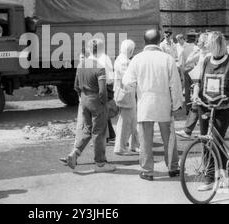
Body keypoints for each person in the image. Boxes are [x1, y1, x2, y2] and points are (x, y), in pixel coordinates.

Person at [123, 29, 183, 181]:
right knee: (168, 138)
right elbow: (175, 84)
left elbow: (128, 83)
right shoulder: (167, 59)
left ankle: (147, 170)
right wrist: (177, 105)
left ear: (144, 41)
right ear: (158, 41)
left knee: (145, 139)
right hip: (164, 104)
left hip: (145, 104)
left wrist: (135, 90)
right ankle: (173, 167)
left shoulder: (137, 59)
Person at [190, 31, 229, 190]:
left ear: (216, 45)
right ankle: (210, 177)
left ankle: (220, 175)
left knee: (217, 140)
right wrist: (195, 96)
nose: (206, 46)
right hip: (204, 105)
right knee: (206, 141)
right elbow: (197, 82)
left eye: (209, 43)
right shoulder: (205, 60)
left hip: (223, 107)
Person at [59, 39, 116, 173]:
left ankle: (75, 153)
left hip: (84, 100)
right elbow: (102, 91)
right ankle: (100, 164)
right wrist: (103, 102)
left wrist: (82, 97)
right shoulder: (99, 67)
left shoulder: (81, 65)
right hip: (96, 101)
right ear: (101, 50)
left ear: (90, 49)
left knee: (86, 130)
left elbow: (76, 86)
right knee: (99, 133)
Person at [176, 32, 210, 139]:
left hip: (205, 84)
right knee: (195, 106)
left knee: (201, 107)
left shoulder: (209, 55)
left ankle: (195, 131)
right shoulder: (201, 53)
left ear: (204, 43)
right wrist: (196, 51)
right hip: (198, 83)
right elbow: (188, 61)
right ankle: (188, 131)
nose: (197, 42)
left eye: (199, 40)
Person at [113, 39, 139, 155]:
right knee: (125, 122)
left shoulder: (119, 58)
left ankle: (134, 145)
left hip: (124, 93)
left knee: (133, 120)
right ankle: (120, 147)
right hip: (127, 94)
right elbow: (129, 79)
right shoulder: (126, 62)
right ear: (130, 50)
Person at [180, 31, 198, 114]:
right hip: (194, 70)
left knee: (187, 90)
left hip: (186, 70)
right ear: (195, 39)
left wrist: (182, 72)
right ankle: (195, 107)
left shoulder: (184, 49)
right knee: (196, 89)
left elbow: (181, 63)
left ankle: (188, 108)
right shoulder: (197, 48)